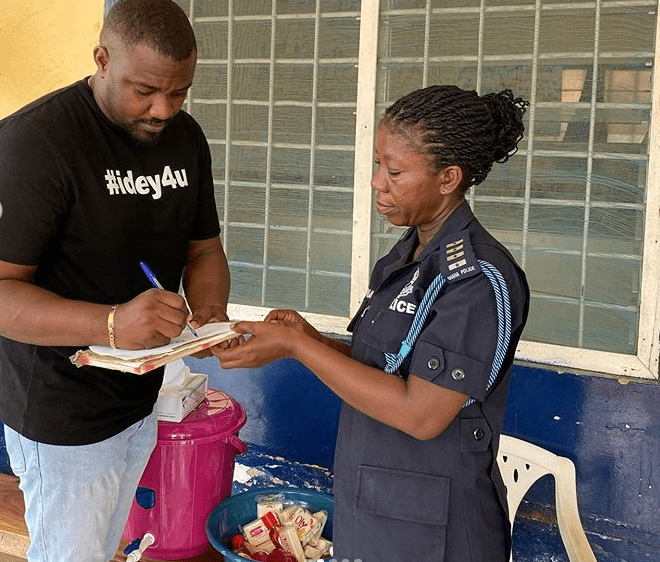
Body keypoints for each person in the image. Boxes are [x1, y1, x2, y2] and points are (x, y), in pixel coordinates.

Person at [215, 85, 530, 562]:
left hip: (437, 532)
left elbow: (420, 413)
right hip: (377, 511)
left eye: (395, 171)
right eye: (379, 164)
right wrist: (307, 338)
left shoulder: (477, 279)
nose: (377, 182)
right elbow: (383, 367)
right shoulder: (407, 256)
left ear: (449, 178)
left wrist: (298, 349)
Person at [0, 1, 230, 560]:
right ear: (102, 59)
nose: (162, 109)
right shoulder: (35, 143)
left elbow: (203, 250)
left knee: (104, 549)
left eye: (179, 92)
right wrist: (110, 322)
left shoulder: (185, 137)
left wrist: (209, 317)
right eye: (145, 90)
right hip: (61, 412)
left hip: (142, 395)